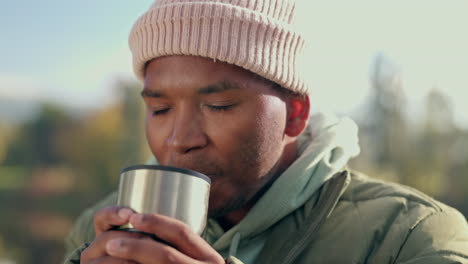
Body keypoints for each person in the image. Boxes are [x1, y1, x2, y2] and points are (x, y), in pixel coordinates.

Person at [63, 0, 468, 263]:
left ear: (295, 115)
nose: (179, 139)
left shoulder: (411, 238)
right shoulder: (99, 232)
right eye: (160, 108)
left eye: (218, 106)